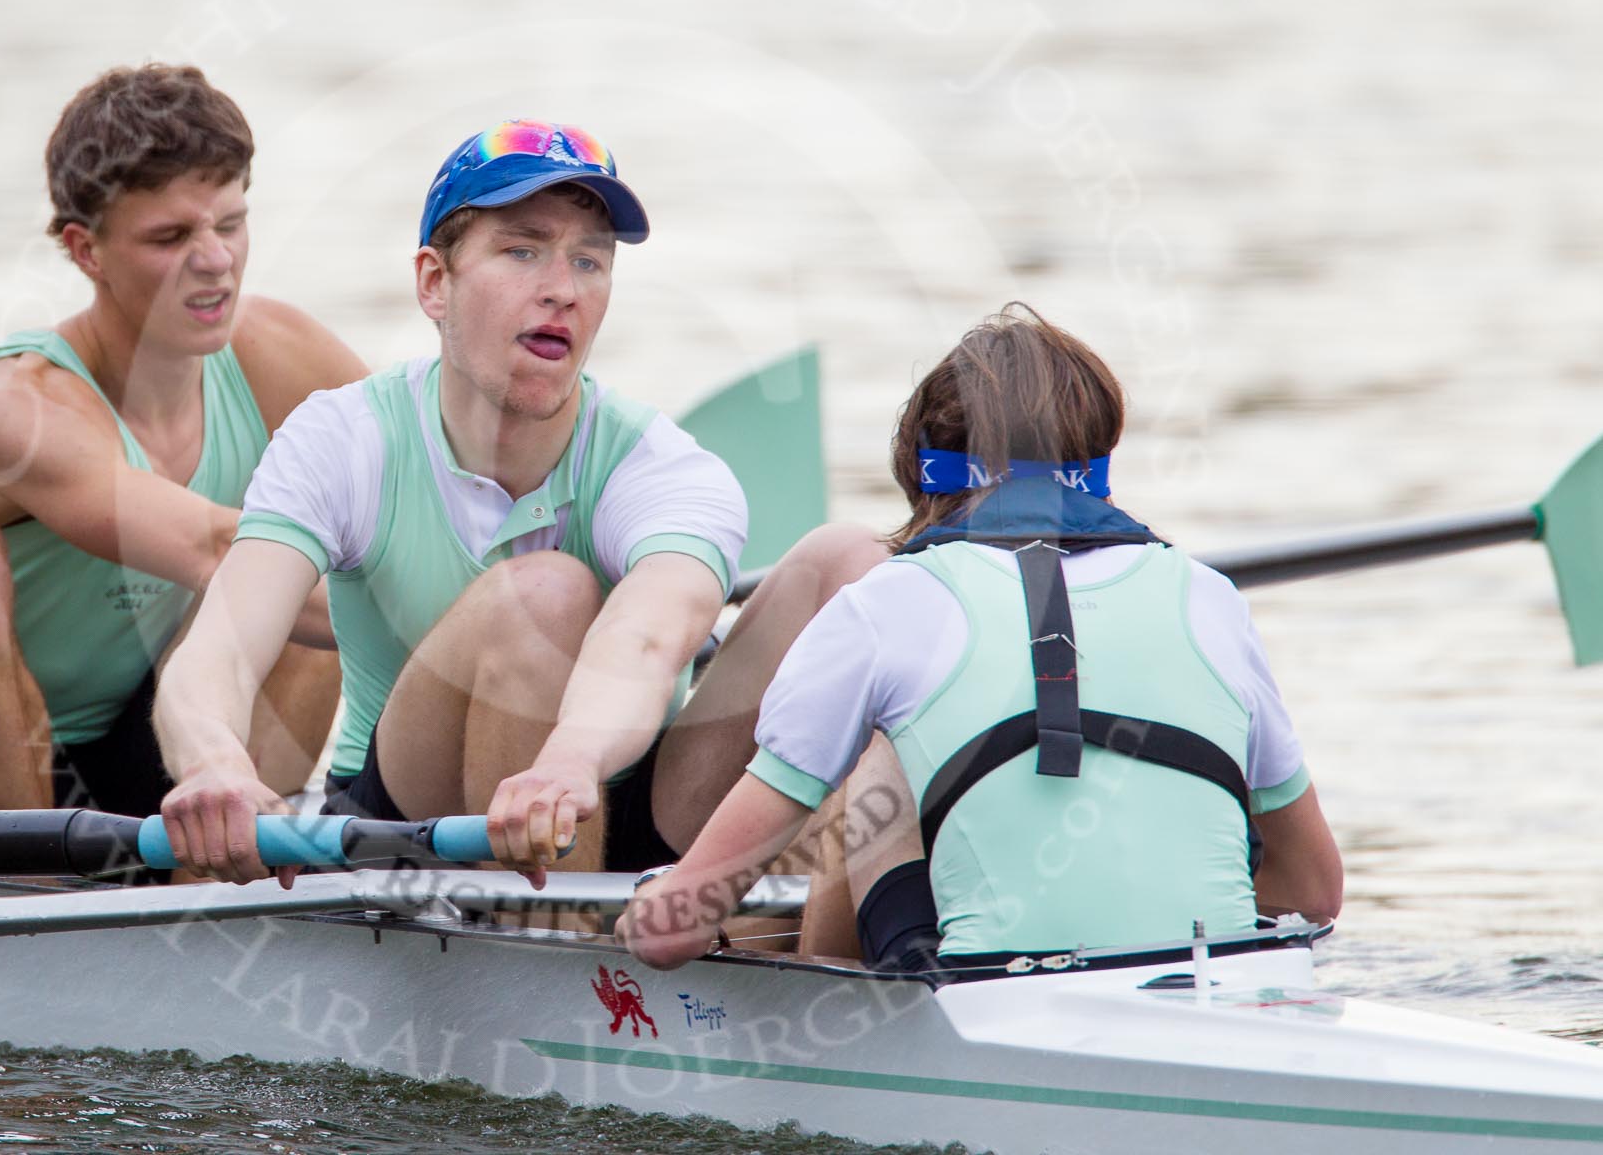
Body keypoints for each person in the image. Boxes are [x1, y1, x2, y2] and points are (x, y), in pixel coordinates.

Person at [159, 118, 891, 885]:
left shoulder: (662, 466)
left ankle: (817, 926)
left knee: (854, 563)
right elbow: (221, 648)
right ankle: (564, 936)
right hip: (414, 819)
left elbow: (652, 638)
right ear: (434, 283)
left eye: (589, 260)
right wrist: (214, 765)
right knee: (544, 594)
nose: (562, 290)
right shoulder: (345, 437)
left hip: (615, 783)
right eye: (522, 251)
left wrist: (570, 762)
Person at [618, 305, 1344, 971]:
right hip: (1216, 982)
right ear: (1099, 470)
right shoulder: (1211, 598)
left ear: (922, 476)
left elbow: (670, 935)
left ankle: (825, 989)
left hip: (980, 996)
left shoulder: (884, 603)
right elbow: (1313, 893)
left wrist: (654, 903)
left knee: (882, 749)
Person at [0, 64, 364, 817]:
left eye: (230, 223)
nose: (215, 259)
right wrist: (436, 613)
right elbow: (214, 548)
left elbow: (428, 472)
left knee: (344, 552)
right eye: (171, 236)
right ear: (87, 251)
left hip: (142, 737)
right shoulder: (20, 409)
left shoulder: (279, 351)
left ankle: (218, 874)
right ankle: (25, 885)